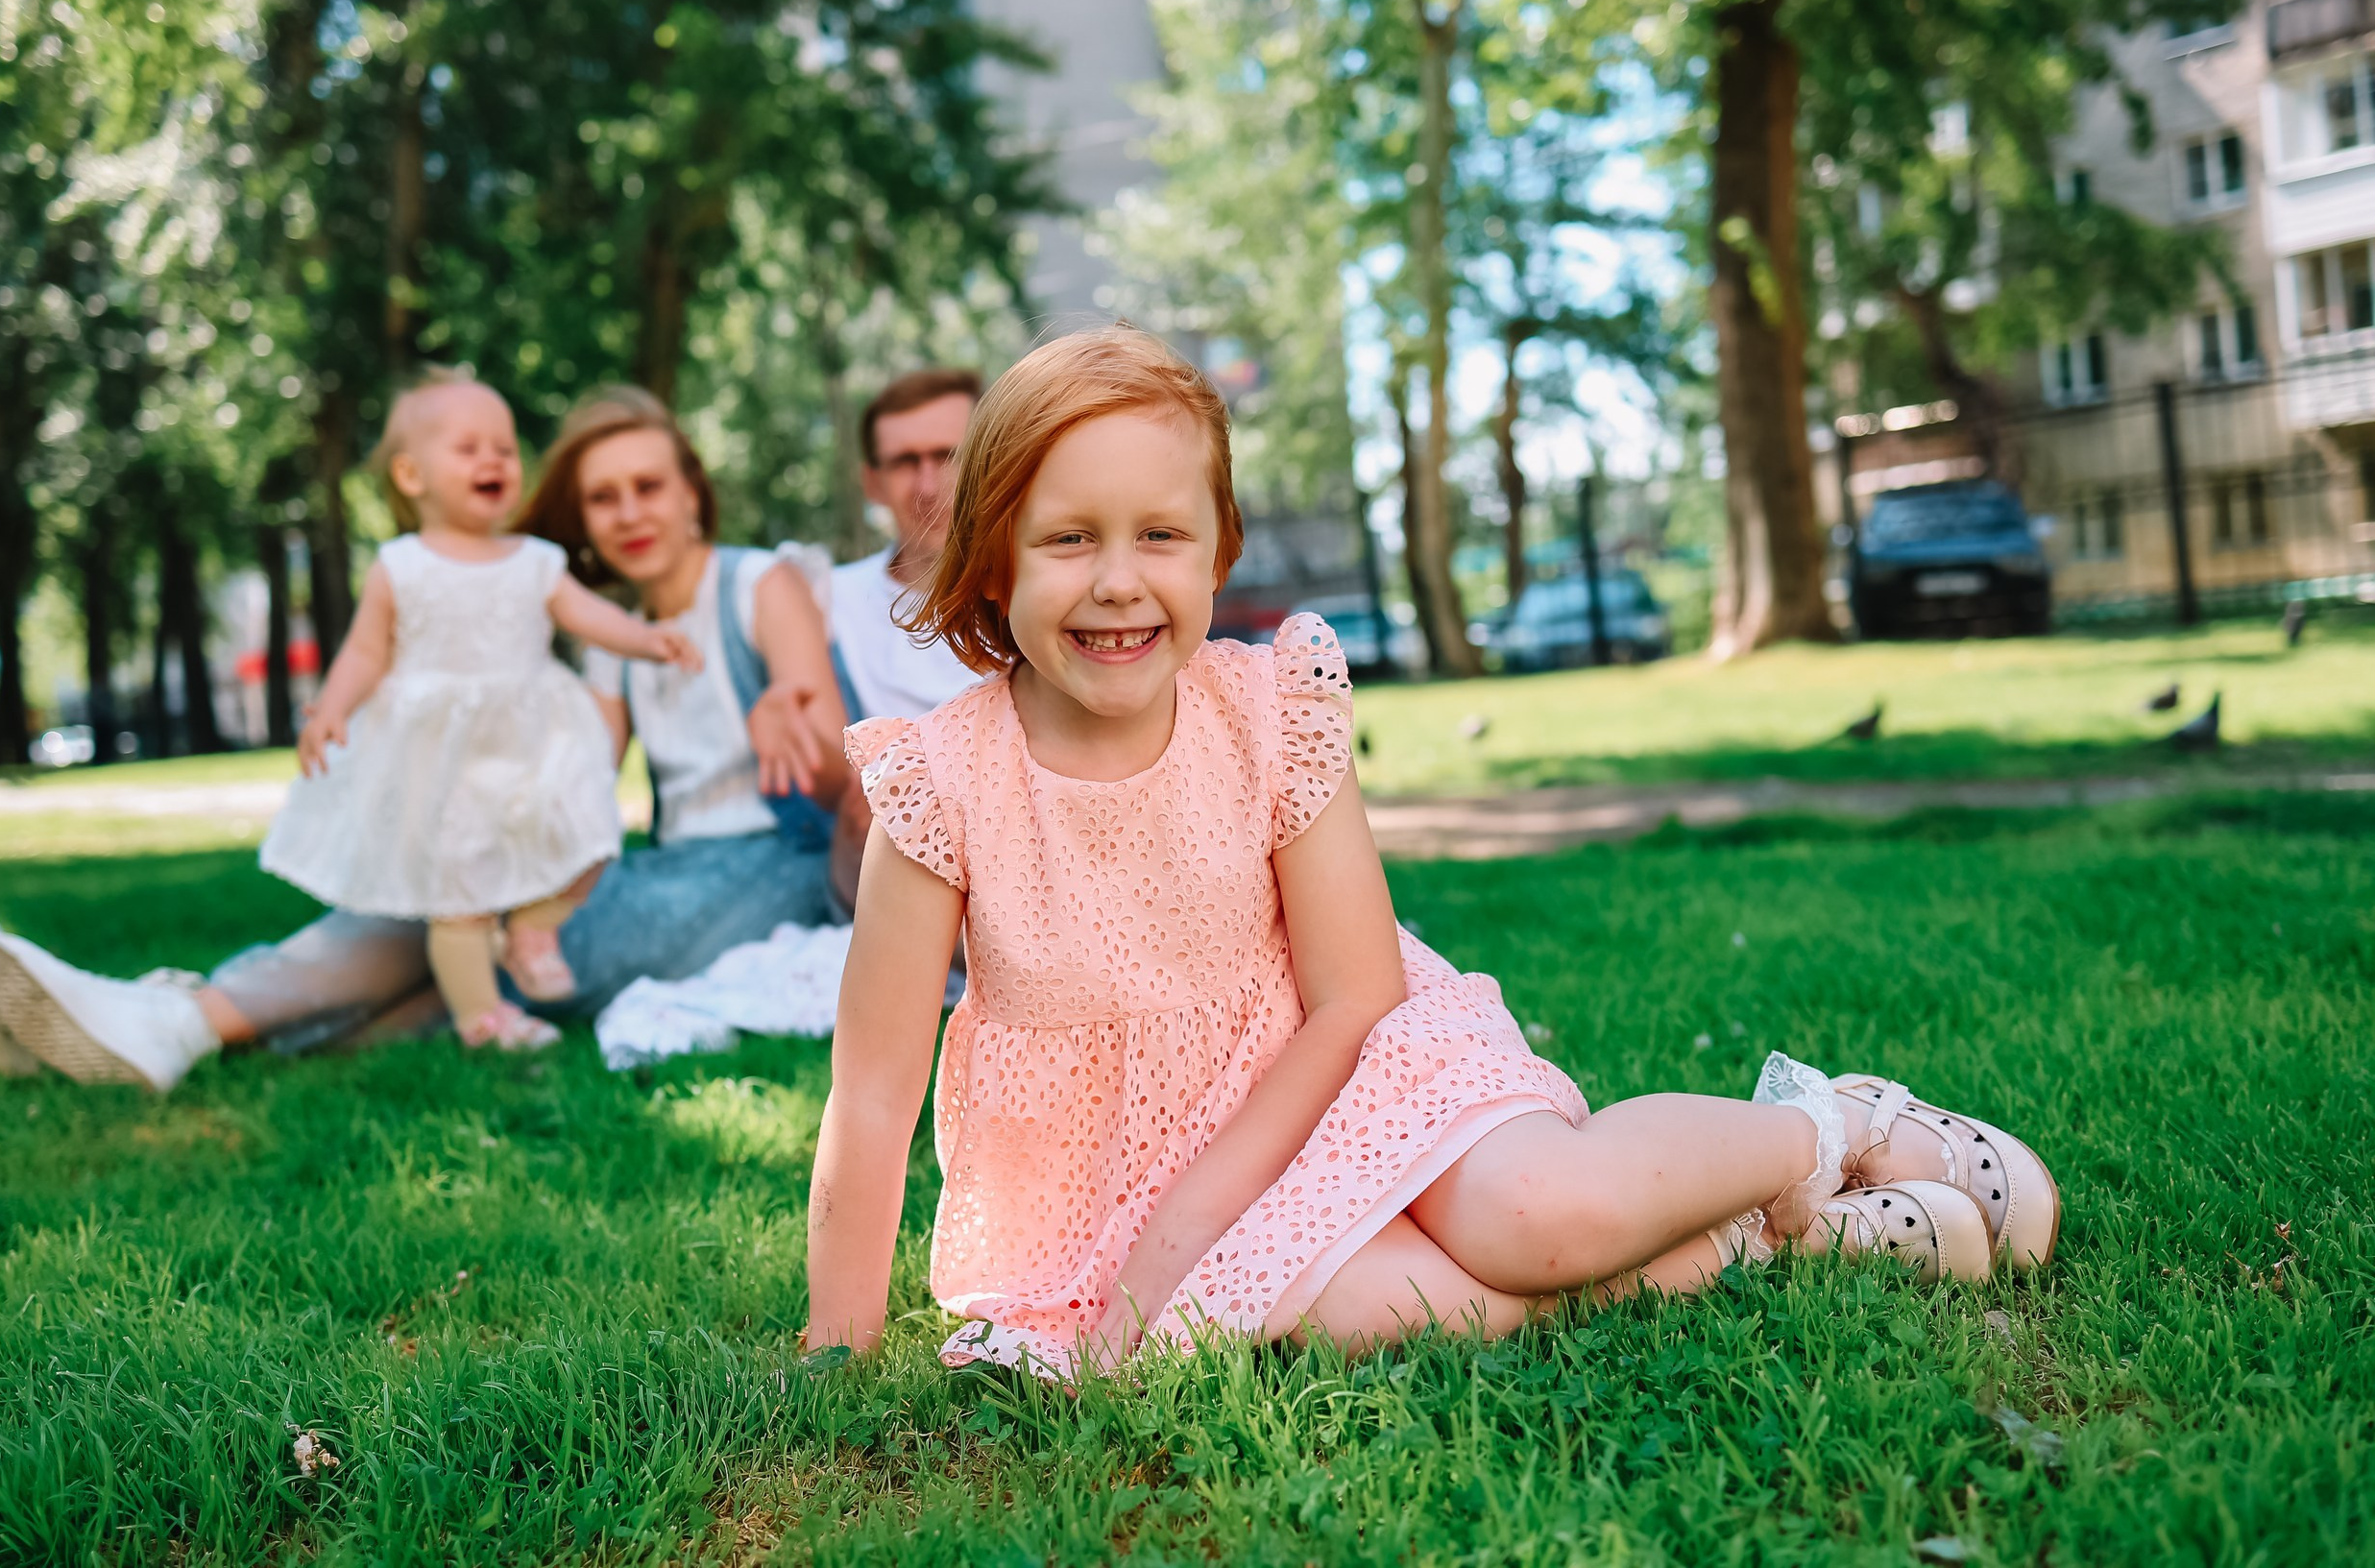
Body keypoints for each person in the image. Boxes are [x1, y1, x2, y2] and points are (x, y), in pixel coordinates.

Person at [804, 327, 2063, 1374]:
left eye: (1161, 536)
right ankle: (1789, 1237)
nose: (1119, 581)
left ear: (1219, 546)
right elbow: (871, 1096)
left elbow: (1355, 996)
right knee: (1421, 1308)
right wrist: (836, 1346)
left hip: (1355, 1063)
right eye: (1068, 538)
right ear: (991, 558)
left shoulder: (1268, 714)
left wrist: (1190, 1228)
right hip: (1113, 1180)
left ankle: (1825, 1127)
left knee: (1535, 1216)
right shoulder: (941, 785)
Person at [0, 384, 851, 1093]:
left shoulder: (759, 585)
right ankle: (184, 1028)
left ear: (693, 492)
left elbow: (841, 778)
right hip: (660, 865)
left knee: (483, 950)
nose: (628, 514)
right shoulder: (616, 633)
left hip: (769, 873)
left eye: (648, 488)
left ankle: (190, 1019)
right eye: (602, 497)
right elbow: (579, 771)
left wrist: (791, 710)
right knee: (450, 893)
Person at [259, 373, 700, 1053]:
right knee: (458, 897)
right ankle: (481, 1019)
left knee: (590, 835)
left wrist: (645, 639)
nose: (493, 460)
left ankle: (532, 928)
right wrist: (333, 708)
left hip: (529, 747)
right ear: (412, 475)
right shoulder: (401, 566)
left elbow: (590, 615)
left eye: (504, 448)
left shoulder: (535, 561)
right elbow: (366, 652)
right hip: (444, 761)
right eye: (469, 449)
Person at [824, 370, 988, 913]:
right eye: (903, 462)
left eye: (948, 456)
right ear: (872, 482)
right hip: (886, 857)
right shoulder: (831, 600)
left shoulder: (1034, 591)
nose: (927, 486)